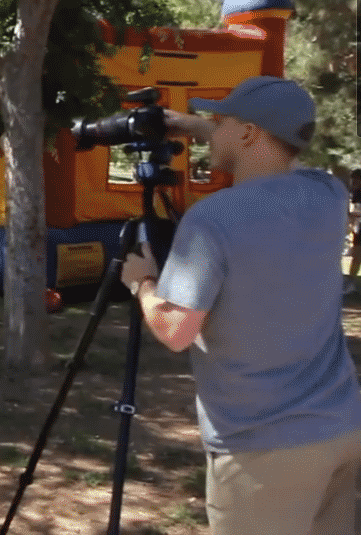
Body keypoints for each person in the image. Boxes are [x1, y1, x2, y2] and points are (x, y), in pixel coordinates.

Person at [120, 76, 361, 535]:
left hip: (263, 448)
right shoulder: (328, 196)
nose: (212, 128)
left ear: (248, 132)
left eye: (220, 121)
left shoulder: (213, 219)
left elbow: (175, 330)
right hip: (341, 428)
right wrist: (200, 127)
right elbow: (281, 155)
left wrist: (142, 282)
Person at [345, 168, 361, 295]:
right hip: (358, 227)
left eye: (356, 179)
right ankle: (351, 283)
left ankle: (351, 283)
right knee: (356, 255)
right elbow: (355, 211)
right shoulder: (355, 193)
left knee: (357, 254)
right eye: (353, 179)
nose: (353, 181)